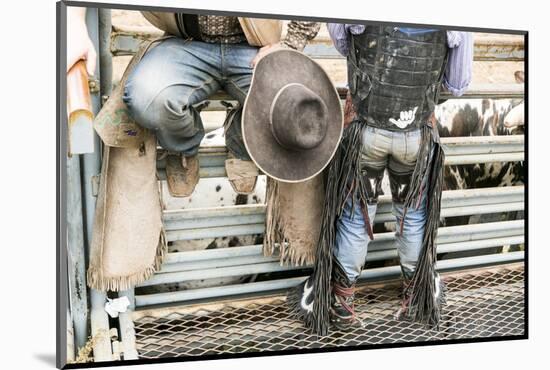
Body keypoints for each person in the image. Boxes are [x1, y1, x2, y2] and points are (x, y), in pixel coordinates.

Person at [290, 24, 473, 335]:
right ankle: (416, 299)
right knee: (413, 217)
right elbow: (457, 84)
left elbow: (344, 45)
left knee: (355, 217)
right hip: (416, 133)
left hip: (366, 132)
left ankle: (342, 303)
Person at [67, 8, 320, 197]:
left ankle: (241, 140)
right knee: (145, 97)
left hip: (255, 46)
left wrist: (289, 45)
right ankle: (183, 148)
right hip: (187, 44)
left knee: (294, 106)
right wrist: (75, 21)